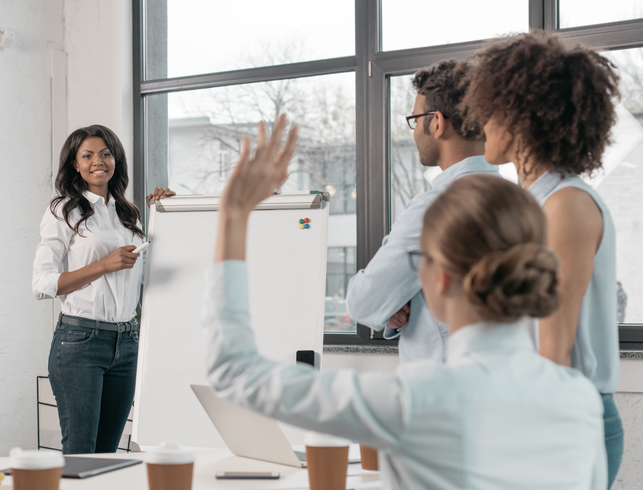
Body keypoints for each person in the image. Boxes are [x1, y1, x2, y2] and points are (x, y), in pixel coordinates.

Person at [204, 115, 606, 489]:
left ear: (438, 278)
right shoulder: (579, 398)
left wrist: (233, 213)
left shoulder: (413, 400)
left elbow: (233, 371)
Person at [464, 31, 623, 486]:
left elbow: (555, 349)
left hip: (570, 420)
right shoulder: (536, 202)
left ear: (520, 116)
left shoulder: (566, 205)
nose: (484, 124)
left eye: (492, 111)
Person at [32, 125, 174, 454]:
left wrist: (166, 218)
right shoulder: (64, 210)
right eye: (88, 155)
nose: (99, 161)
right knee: (81, 453)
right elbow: (41, 284)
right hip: (80, 343)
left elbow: (146, 279)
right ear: (75, 165)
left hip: (126, 343)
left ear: (116, 160)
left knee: (107, 454)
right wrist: (103, 265)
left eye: (106, 153)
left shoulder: (129, 215)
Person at [345, 60, 498, 363]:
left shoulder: (436, 207)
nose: (415, 132)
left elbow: (363, 302)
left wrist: (390, 305)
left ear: (437, 122)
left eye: (416, 120)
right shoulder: (514, 200)